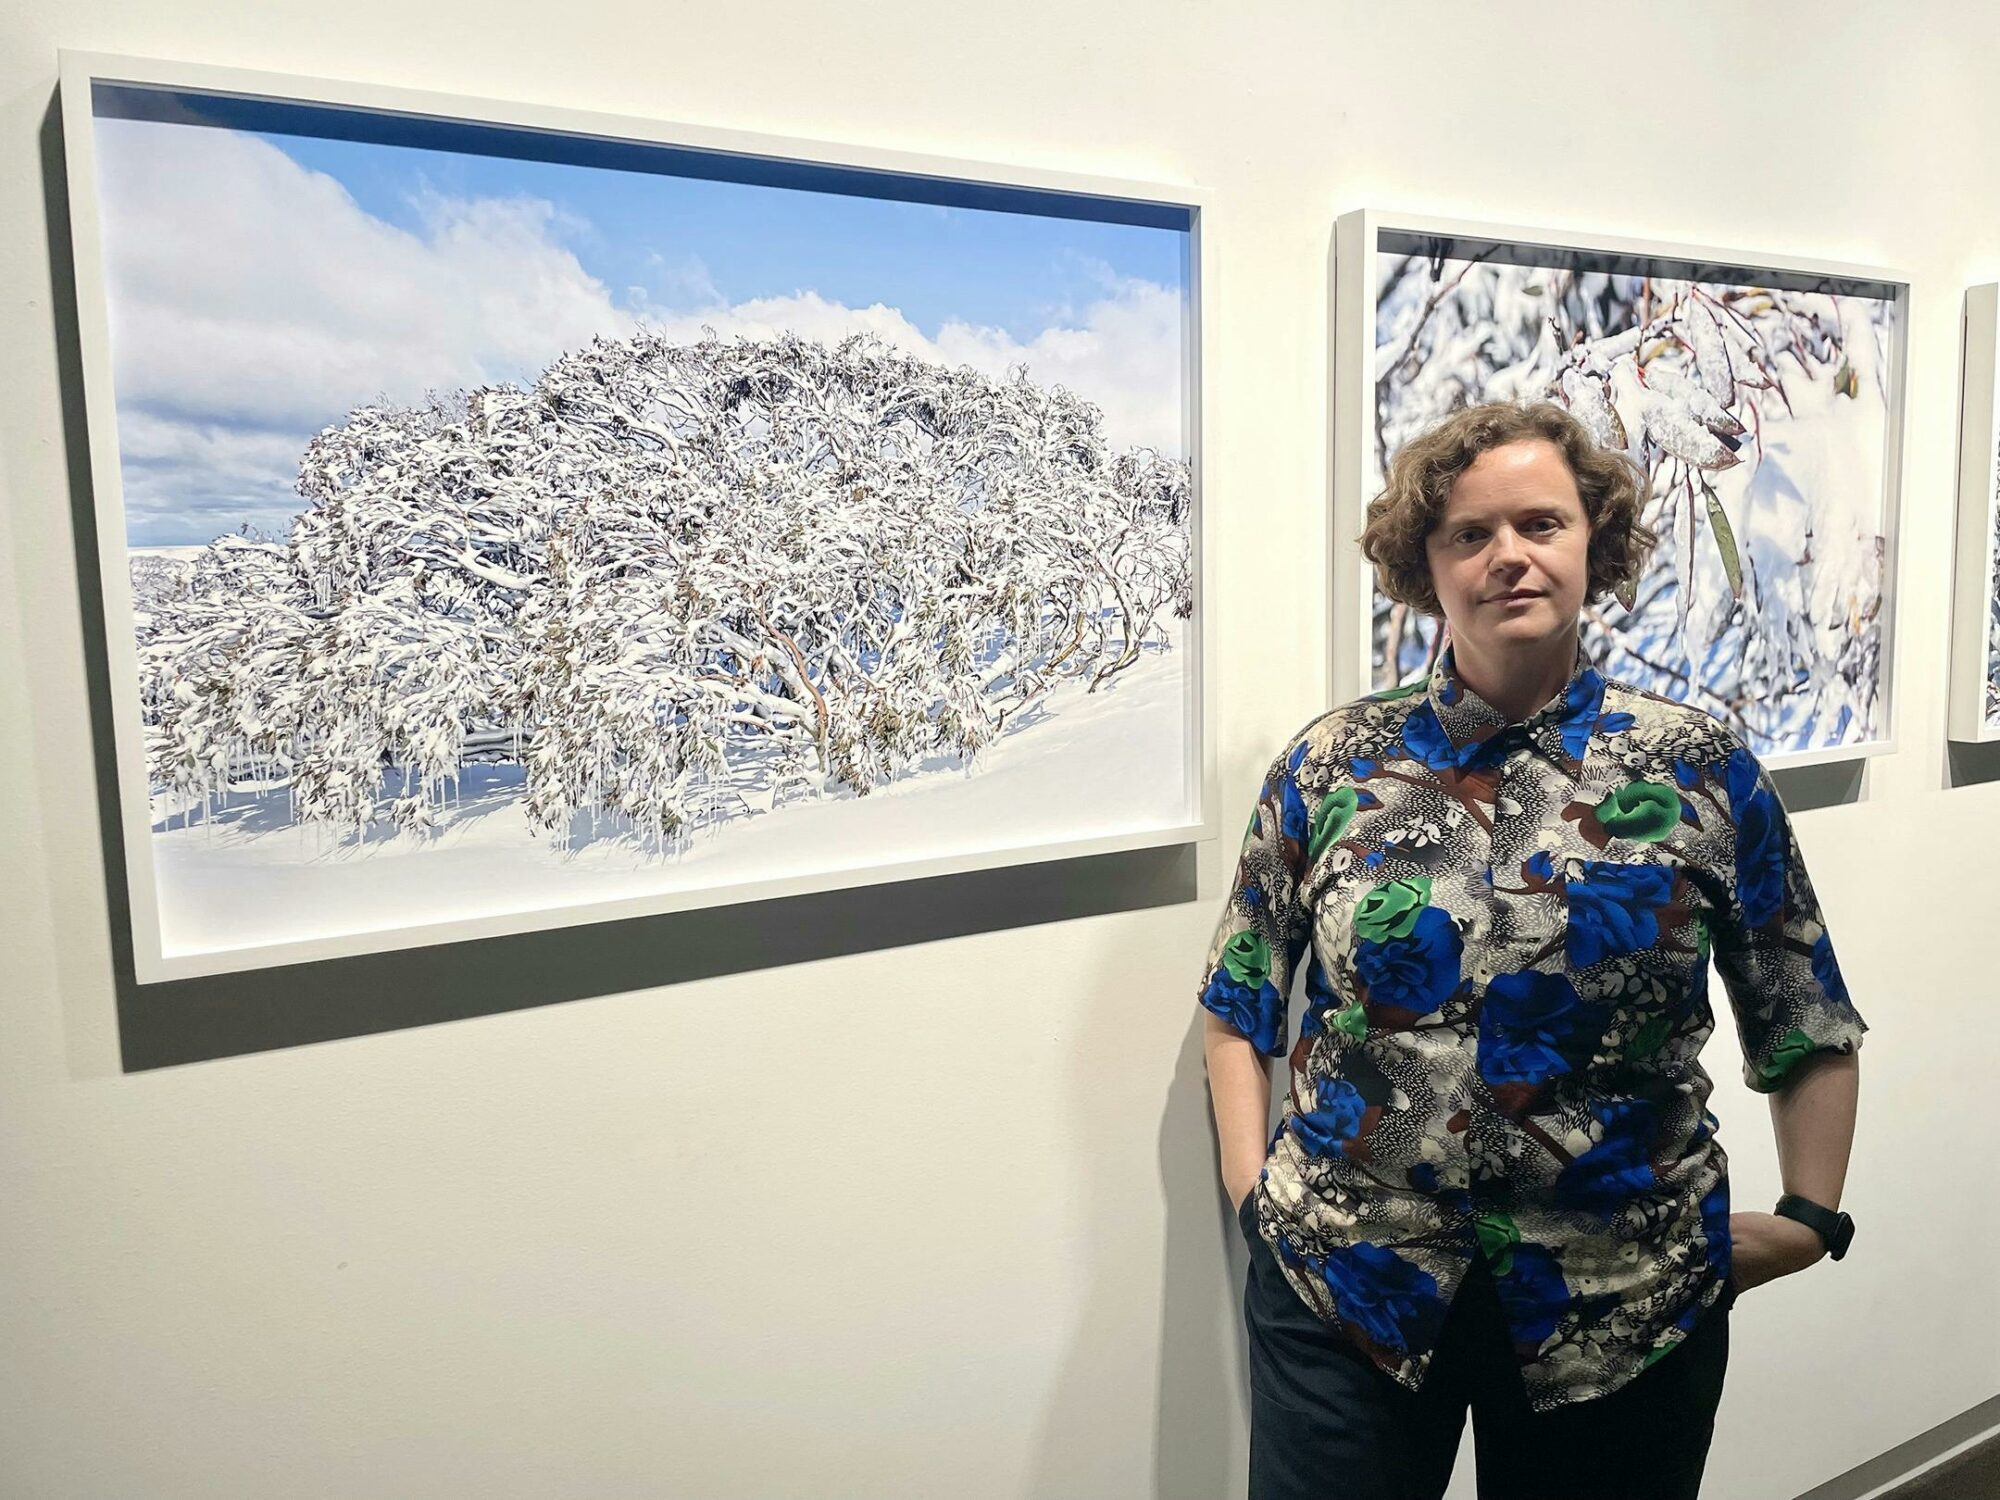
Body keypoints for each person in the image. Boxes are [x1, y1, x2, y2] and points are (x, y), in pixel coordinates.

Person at [1196, 400, 1866, 1500]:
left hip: (1622, 1302)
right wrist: (1251, 1204)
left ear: (1590, 546)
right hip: (1346, 1288)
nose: (1507, 555)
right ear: (1426, 562)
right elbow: (1237, 1002)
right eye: (1469, 533)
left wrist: (1807, 1217)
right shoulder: (1328, 767)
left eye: (1540, 525)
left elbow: (1803, 1010)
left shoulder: (1696, 769)